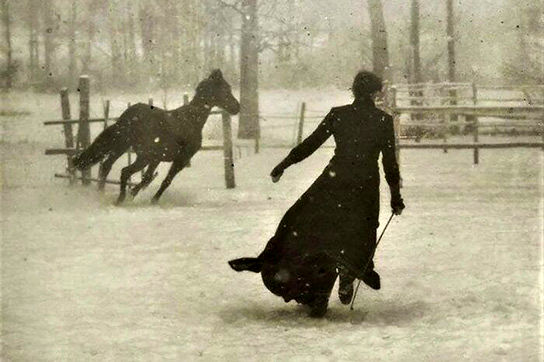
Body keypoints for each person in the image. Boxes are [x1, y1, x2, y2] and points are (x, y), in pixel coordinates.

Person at [229, 71, 405, 318]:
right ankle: (346, 275)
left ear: (353, 91)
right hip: (363, 187)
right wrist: (395, 195)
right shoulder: (383, 121)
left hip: (333, 184)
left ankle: (317, 288)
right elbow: (390, 164)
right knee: (357, 235)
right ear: (376, 93)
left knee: (309, 231)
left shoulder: (338, 115)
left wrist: (284, 164)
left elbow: (311, 144)